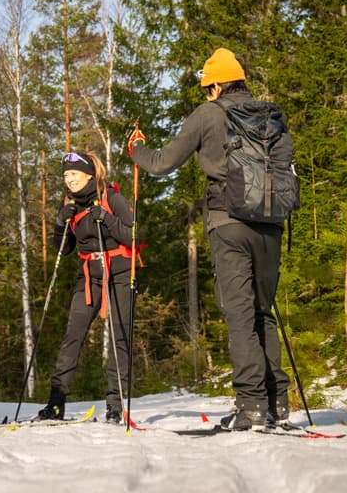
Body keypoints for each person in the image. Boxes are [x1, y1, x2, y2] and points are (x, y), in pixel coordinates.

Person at [129, 47, 292, 431]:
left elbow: (162, 163)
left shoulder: (209, 114)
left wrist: (136, 147)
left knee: (239, 316)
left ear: (216, 86)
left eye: (207, 88)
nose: (206, 95)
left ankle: (250, 407)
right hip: (271, 223)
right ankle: (276, 405)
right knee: (263, 313)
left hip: (228, 222)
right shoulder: (271, 115)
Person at [37, 150, 135, 424]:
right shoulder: (69, 203)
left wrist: (107, 218)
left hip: (119, 272)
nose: (69, 180)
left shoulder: (112, 197)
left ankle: (115, 405)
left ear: (89, 175)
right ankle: (55, 404)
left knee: (120, 338)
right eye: (66, 175)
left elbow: (132, 235)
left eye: (74, 174)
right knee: (72, 337)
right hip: (89, 276)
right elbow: (63, 248)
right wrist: (60, 223)